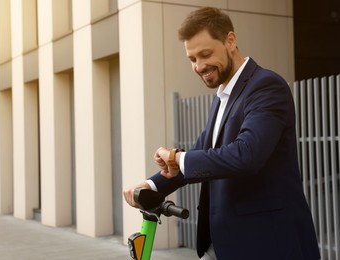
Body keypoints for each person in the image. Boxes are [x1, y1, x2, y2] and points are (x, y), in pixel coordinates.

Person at [123, 6, 320, 260]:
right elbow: (198, 156)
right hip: (222, 245)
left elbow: (247, 154)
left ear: (230, 41)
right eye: (192, 59)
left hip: (266, 244)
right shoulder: (222, 97)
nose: (199, 66)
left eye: (205, 54)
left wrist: (177, 159)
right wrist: (151, 185)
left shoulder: (266, 86)